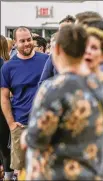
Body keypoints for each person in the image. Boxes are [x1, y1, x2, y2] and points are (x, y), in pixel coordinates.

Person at [21, 24, 103, 180]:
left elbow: (37, 138)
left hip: (57, 174)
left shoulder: (54, 88)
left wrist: (25, 136)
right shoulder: (99, 87)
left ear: (58, 49)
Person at [0, 26, 48, 173]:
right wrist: (11, 124)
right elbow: (4, 97)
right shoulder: (8, 67)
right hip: (21, 124)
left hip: (45, 123)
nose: (27, 43)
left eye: (29, 39)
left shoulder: (47, 60)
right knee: (22, 169)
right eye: (22, 41)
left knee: (45, 168)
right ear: (15, 43)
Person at [0, 35, 14, 181]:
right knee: (5, 148)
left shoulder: (4, 65)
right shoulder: (7, 64)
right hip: (4, 110)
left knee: (4, 148)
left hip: (3, 111)